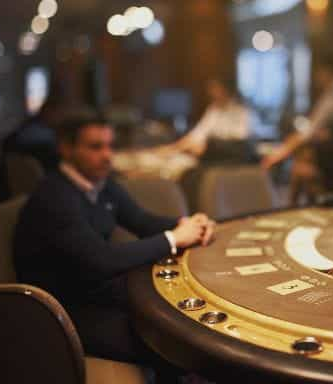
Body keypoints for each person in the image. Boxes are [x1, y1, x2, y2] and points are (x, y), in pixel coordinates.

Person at [14, 110, 216, 383]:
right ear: (66, 149)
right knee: (177, 345)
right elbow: (102, 259)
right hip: (66, 311)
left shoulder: (100, 183)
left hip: (99, 292)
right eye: (95, 147)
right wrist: (175, 238)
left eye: (110, 145)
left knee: (186, 329)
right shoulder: (54, 197)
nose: (107, 155)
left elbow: (142, 221)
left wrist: (187, 223)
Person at [261, 55, 333, 201]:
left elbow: (307, 133)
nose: (316, 77)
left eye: (319, 72)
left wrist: (277, 155)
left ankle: (294, 207)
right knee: (305, 159)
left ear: (328, 71)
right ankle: (310, 204)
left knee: (299, 168)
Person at [160, 78, 255, 162]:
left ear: (226, 89)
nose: (211, 92)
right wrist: (173, 148)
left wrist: (207, 144)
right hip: (211, 151)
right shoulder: (214, 108)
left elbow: (239, 136)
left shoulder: (241, 109)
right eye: (210, 89)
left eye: (215, 88)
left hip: (233, 153)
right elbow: (198, 133)